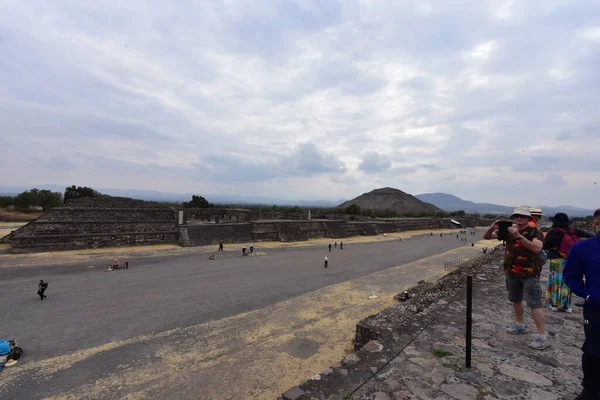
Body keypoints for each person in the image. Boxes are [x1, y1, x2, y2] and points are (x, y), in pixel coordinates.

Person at [483, 205, 549, 350]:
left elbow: (537, 248)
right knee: (516, 299)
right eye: (516, 216)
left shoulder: (535, 232)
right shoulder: (508, 231)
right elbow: (486, 237)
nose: (519, 218)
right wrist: (491, 227)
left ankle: (542, 336)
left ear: (528, 218)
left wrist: (519, 236)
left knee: (534, 303)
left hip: (529, 273)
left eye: (522, 216)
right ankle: (520, 325)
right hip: (511, 272)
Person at [564, 208, 600, 400]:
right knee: (594, 352)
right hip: (596, 309)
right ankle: (590, 390)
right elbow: (571, 277)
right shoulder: (582, 249)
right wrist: (588, 295)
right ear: (596, 224)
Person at [544, 213, 594, 312]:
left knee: (556, 281)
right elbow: (591, 236)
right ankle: (566, 305)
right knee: (567, 282)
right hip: (571, 259)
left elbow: (546, 245)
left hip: (557, 259)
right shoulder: (574, 230)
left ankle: (554, 304)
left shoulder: (554, 231)